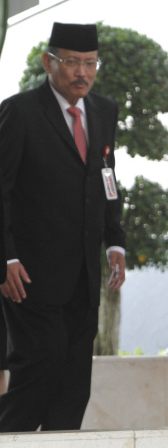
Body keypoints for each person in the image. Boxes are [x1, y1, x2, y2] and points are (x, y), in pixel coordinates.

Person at [0, 22, 126, 431]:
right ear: (48, 62)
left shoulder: (104, 111)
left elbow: (106, 175)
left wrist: (115, 242)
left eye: (90, 63)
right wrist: (5, 257)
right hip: (28, 272)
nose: (82, 73)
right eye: (71, 62)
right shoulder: (19, 111)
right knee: (41, 363)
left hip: (83, 275)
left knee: (74, 383)